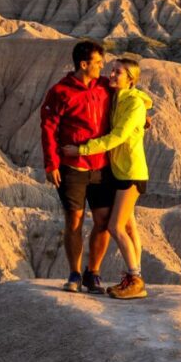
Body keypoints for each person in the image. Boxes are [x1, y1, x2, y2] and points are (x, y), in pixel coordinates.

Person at [63, 57, 151, 300]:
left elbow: (117, 137)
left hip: (131, 173)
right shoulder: (118, 97)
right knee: (130, 226)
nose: (112, 75)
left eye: (118, 72)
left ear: (131, 79)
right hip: (119, 171)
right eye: (112, 70)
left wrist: (81, 150)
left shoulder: (133, 103)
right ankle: (136, 277)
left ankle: (135, 279)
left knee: (115, 226)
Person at [40, 39, 114, 293]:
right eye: (98, 63)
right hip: (73, 167)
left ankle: (93, 273)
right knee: (74, 221)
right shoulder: (60, 92)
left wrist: (143, 118)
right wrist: (51, 164)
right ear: (84, 64)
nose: (102, 67)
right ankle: (74, 273)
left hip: (102, 166)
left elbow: (131, 98)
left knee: (103, 220)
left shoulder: (105, 86)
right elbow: (48, 128)